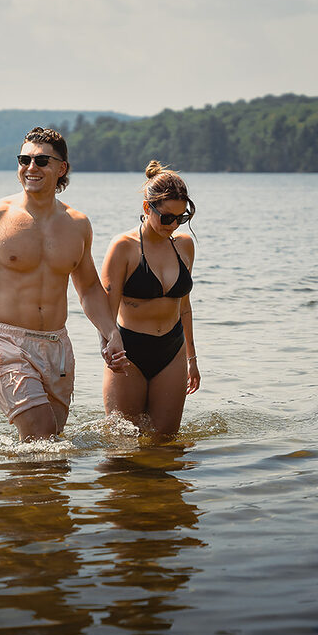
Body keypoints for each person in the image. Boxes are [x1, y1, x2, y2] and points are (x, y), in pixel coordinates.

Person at [0, 126, 128, 441]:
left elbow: (87, 288)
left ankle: (8, 487)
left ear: (62, 169)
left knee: (50, 446)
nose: (31, 168)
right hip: (7, 342)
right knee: (42, 438)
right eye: (24, 159)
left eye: (41, 161)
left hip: (57, 346)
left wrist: (110, 333)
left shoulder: (78, 224)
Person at [100, 160, 200, 435]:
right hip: (128, 350)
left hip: (172, 349)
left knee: (166, 443)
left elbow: (185, 308)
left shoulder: (185, 247)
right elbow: (104, 310)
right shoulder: (123, 247)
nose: (174, 224)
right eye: (167, 217)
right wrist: (107, 348)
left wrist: (192, 359)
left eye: (181, 218)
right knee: (122, 445)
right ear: (147, 208)